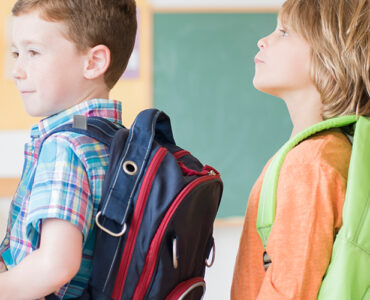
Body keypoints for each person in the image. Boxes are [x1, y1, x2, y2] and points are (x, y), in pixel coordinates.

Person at [231, 0, 369, 299]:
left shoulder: (310, 164)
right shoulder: (346, 149)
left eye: (284, 32)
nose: (262, 41)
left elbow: (290, 291)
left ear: (330, 59)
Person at [0, 0, 137, 298]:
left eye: (33, 52)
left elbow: (55, 266)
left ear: (93, 62)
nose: (16, 71)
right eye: (16, 53)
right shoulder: (114, 140)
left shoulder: (66, 145)